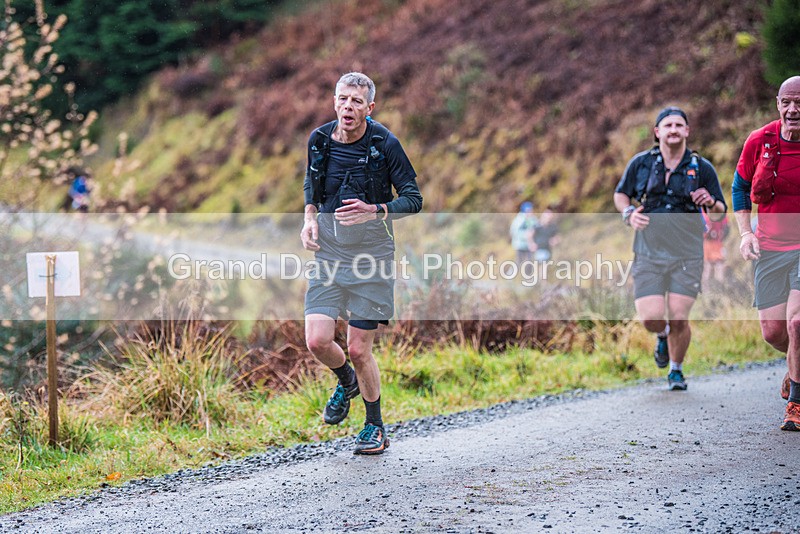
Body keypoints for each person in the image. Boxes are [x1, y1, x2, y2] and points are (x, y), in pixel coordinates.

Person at [300, 72, 423, 454]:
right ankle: (346, 382)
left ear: (369, 108)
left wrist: (377, 210)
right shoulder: (319, 140)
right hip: (330, 254)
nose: (348, 107)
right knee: (317, 339)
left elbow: (414, 198)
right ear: (334, 100)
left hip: (372, 256)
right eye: (342, 99)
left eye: (356, 102)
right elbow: (312, 187)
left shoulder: (385, 144)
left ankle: (375, 426)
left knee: (358, 348)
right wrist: (308, 219)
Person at [614, 107, 726, 390]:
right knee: (651, 318)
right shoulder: (640, 163)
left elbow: (720, 212)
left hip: (687, 253)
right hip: (648, 251)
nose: (673, 130)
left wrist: (710, 202)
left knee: (679, 315)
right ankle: (662, 335)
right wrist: (628, 213)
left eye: (679, 125)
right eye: (668, 125)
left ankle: (676, 369)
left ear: (687, 131)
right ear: (657, 132)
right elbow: (620, 194)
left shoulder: (702, 168)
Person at [732, 75, 800, 431]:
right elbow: (740, 187)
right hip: (770, 247)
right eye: (786, 102)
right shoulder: (760, 141)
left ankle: (796, 404)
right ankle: (796, 365)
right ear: (777, 103)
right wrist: (745, 234)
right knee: (774, 332)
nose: (793, 110)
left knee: (797, 322)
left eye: (799, 102)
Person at [701, 211, 729, 287]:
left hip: (716, 242)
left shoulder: (706, 209)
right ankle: (709, 291)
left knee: (715, 266)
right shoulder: (718, 209)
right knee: (709, 267)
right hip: (710, 242)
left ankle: (716, 290)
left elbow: (726, 227)